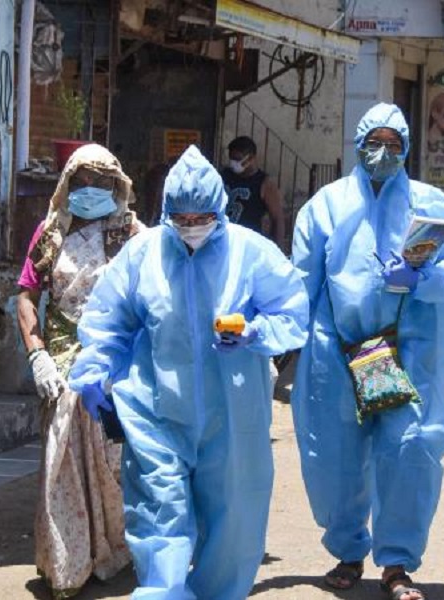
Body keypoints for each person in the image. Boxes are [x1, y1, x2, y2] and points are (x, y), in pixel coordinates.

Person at [67, 145, 308, 599]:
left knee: (233, 524)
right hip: (157, 413)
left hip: (232, 419)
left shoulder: (251, 254)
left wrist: (254, 332)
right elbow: (109, 321)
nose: (192, 228)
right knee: (161, 519)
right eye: (183, 219)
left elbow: (292, 313)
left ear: (219, 211)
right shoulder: (143, 256)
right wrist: (96, 370)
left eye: (202, 219)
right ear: (167, 214)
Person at [290, 103, 444, 600]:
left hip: (407, 352)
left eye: (395, 144)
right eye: (376, 141)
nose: (383, 152)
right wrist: (283, 343)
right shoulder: (324, 207)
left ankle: (397, 564)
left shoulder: (431, 206)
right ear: (357, 144)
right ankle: (348, 551)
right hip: (338, 349)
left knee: (410, 448)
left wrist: (421, 276)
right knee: (333, 456)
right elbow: (300, 284)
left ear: (408, 149)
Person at [16, 144, 137, 598]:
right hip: (62, 361)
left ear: (116, 186)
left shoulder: (131, 235)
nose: (90, 190)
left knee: (113, 462)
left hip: (113, 363)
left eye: (100, 182)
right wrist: (36, 355)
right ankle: (68, 561)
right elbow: (26, 297)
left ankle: (112, 551)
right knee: (60, 457)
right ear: (68, 185)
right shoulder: (49, 234)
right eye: (81, 181)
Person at [220, 136, 286, 248]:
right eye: (231, 159)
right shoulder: (224, 175)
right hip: (223, 239)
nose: (233, 163)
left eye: (237, 159)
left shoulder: (264, 183)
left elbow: (277, 219)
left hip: (248, 244)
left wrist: (277, 249)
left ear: (250, 158)